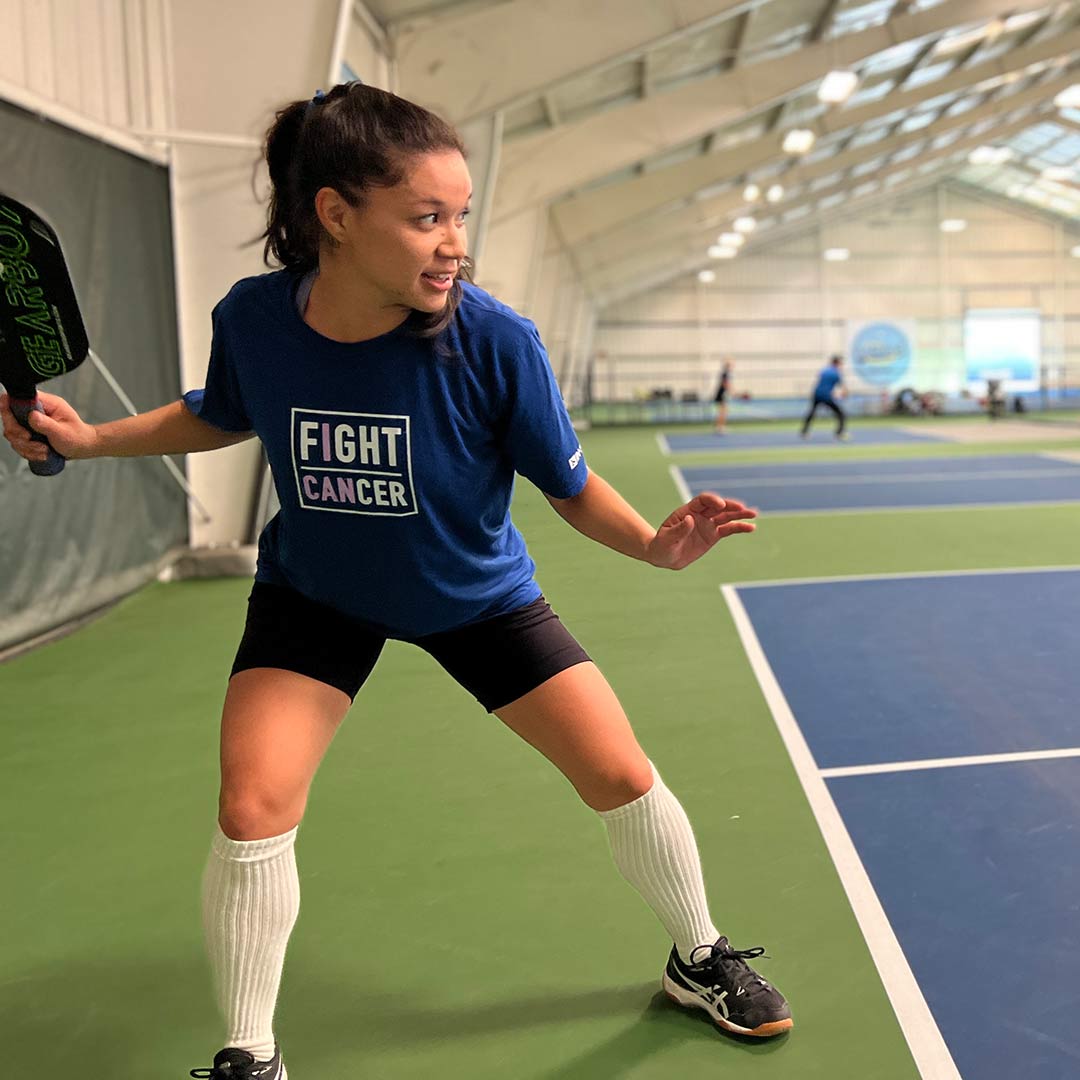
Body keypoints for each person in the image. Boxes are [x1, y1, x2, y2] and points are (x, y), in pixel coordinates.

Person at [1, 82, 792, 1080]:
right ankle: (249, 1052)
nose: (454, 241)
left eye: (460, 216)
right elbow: (223, 409)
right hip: (316, 597)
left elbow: (570, 482)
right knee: (253, 808)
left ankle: (700, 954)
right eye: (426, 218)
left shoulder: (494, 340)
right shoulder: (254, 318)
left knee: (622, 776)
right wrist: (95, 437)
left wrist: (651, 546)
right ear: (334, 215)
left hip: (479, 598)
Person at [801, 354, 848, 440]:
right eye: (841, 363)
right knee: (841, 413)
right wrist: (841, 395)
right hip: (826, 396)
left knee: (812, 413)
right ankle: (839, 433)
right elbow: (843, 390)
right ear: (837, 363)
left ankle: (804, 432)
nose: (842, 365)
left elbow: (823, 384)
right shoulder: (836, 373)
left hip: (816, 394)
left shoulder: (824, 370)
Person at [713, 358, 733, 434]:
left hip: (722, 394)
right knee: (723, 412)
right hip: (721, 394)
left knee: (724, 411)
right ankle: (720, 427)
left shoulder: (726, 373)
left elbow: (726, 384)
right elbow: (725, 384)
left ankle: (720, 426)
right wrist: (731, 391)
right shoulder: (725, 373)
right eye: (730, 365)